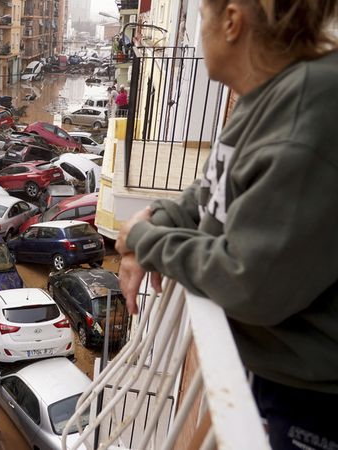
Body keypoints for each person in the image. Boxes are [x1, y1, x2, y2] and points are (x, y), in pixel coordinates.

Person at [114, 0, 338, 448]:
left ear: (232, 22)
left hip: (315, 402)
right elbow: (213, 188)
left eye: (201, 17)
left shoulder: (306, 113)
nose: (199, 34)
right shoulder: (271, 97)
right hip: (282, 375)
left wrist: (145, 239)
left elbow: (250, 282)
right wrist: (161, 216)